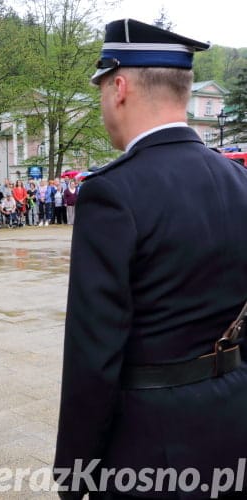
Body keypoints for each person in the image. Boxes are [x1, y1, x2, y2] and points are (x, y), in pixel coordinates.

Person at [53, 19, 247, 498]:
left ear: (119, 87)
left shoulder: (112, 194)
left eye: (101, 88)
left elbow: (93, 354)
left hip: (152, 441)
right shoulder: (239, 183)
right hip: (234, 419)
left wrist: (73, 473)